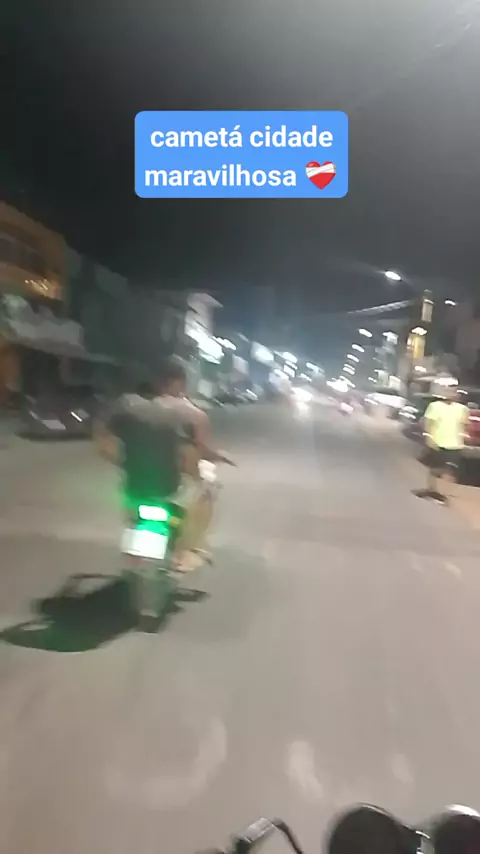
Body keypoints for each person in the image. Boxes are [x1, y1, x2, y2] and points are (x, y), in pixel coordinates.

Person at [95, 359, 234, 571]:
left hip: (134, 487)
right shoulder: (194, 414)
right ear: (179, 383)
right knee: (208, 492)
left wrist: (122, 462)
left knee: (130, 501)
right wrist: (220, 456)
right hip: (172, 488)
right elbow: (204, 451)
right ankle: (189, 549)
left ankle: (134, 538)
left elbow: (101, 438)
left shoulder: (127, 406)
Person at [417, 386, 469, 504]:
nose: (451, 394)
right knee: (434, 469)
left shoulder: (462, 409)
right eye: (448, 392)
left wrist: (463, 435)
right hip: (437, 442)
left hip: (455, 444)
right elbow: (428, 422)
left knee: (450, 470)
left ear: (457, 395)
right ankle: (432, 490)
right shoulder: (435, 406)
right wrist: (429, 436)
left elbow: (464, 424)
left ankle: (443, 494)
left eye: (453, 392)